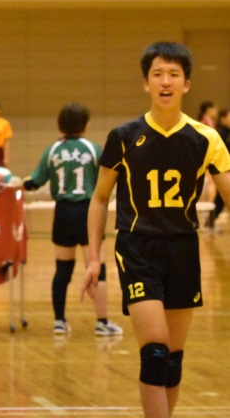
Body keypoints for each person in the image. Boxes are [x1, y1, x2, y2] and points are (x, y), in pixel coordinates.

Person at [81, 42, 230, 418]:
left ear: (186, 84)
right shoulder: (123, 136)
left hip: (183, 248)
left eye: (174, 75)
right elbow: (99, 199)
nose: (166, 81)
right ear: (146, 83)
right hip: (137, 248)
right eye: (158, 74)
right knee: (156, 352)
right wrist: (94, 259)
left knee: (173, 359)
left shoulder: (206, 139)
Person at [22, 103, 122, 336]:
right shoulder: (92, 149)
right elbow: (107, 177)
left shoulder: (53, 150)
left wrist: (13, 185)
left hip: (63, 213)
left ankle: (59, 321)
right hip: (88, 212)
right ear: (85, 124)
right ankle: (102, 322)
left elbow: (35, 181)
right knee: (97, 268)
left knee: (62, 270)